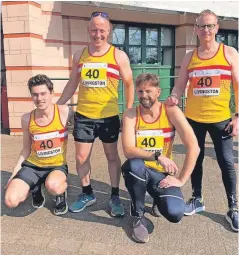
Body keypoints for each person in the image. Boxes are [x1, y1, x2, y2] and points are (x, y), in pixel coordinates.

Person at [166, 9, 238, 232]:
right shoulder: (190, 56)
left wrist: (238, 117)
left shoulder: (229, 53)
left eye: (210, 26)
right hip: (194, 119)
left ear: (217, 28)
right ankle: (197, 199)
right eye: (201, 26)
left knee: (226, 162)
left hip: (221, 119)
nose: (206, 30)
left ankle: (233, 207)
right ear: (196, 29)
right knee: (195, 160)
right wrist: (175, 96)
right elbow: (180, 85)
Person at [57, 12, 134, 217]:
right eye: (94, 29)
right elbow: (73, 82)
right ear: (88, 30)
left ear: (108, 31)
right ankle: (87, 193)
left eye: (102, 30)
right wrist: (58, 104)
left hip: (108, 116)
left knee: (111, 156)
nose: (97, 34)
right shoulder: (79, 54)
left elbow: (129, 84)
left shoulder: (118, 55)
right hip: (84, 116)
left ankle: (115, 195)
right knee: (81, 157)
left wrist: (127, 112)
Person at [121, 73, 200, 243]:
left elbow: (194, 146)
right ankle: (137, 216)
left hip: (162, 176)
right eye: (140, 91)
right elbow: (128, 150)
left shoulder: (170, 111)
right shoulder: (130, 114)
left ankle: (158, 199)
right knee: (132, 166)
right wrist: (158, 156)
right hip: (140, 170)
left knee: (175, 214)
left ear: (158, 91)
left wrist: (181, 180)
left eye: (148, 91)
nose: (144, 96)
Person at [5, 74, 73, 216]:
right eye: (35, 95)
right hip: (33, 166)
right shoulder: (26, 119)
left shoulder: (64, 112)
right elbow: (25, 150)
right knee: (11, 201)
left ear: (52, 93)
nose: (39, 98)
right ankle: (35, 187)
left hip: (56, 165)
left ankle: (60, 194)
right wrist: (14, 173)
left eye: (43, 93)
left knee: (54, 186)